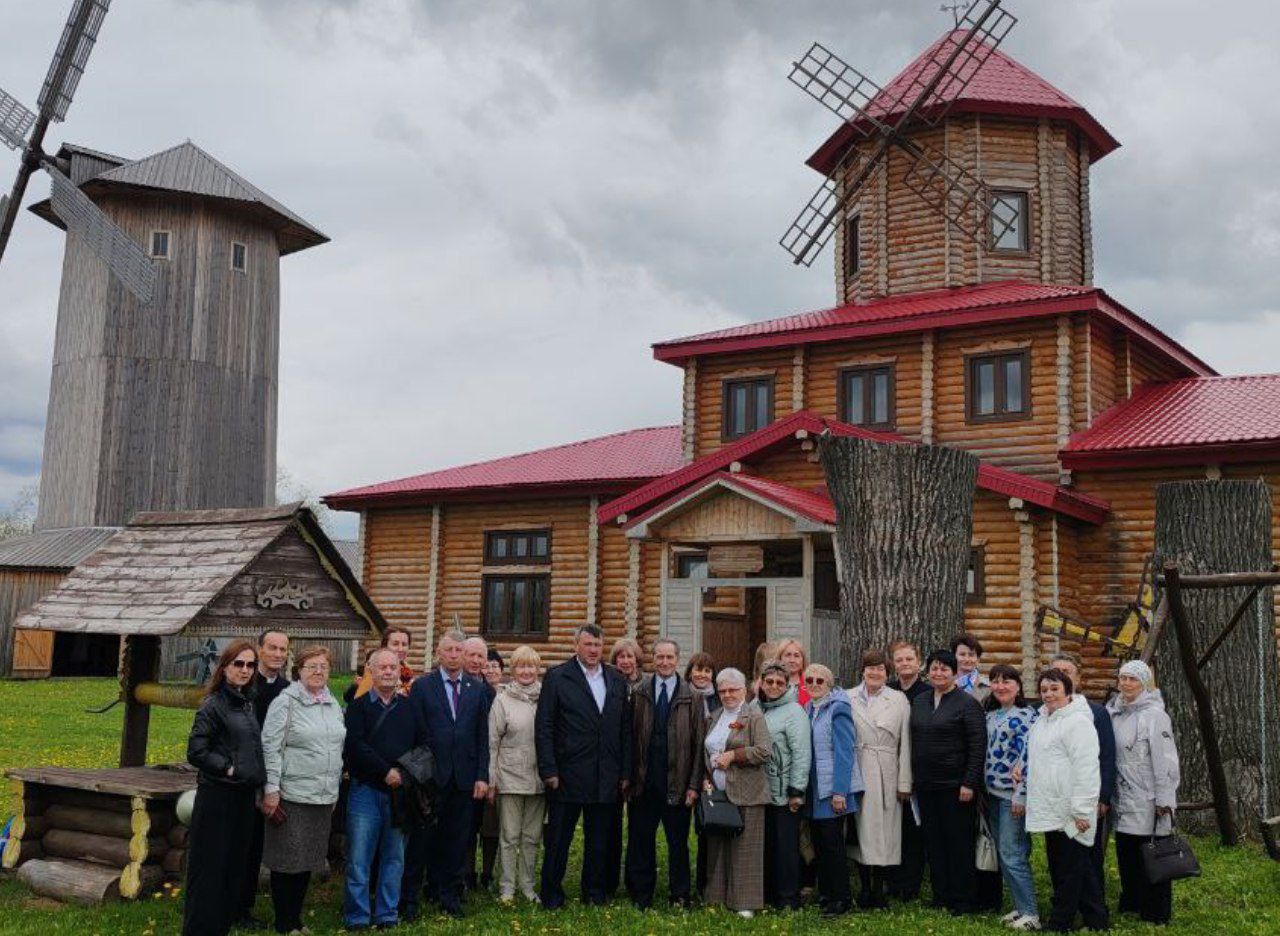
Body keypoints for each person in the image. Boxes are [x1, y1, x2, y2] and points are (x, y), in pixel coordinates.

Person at [536, 624, 632, 909]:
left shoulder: (616, 678)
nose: (593, 650)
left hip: (606, 774)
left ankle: (594, 892)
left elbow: (624, 729)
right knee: (558, 840)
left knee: (599, 840)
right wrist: (549, 769)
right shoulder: (557, 677)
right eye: (588, 644)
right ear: (576, 645)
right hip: (567, 774)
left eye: (598, 645)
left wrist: (625, 772)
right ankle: (552, 894)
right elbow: (545, 727)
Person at [401, 629, 490, 920]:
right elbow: (413, 733)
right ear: (438, 653)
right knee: (422, 840)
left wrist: (481, 776)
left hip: (463, 778)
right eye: (448, 650)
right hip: (430, 779)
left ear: (465, 654)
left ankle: (449, 896)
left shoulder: (476, 689)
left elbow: (481, 736)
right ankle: (410, 899)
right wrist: (419, 775)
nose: (453, 655)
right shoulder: (423, 687)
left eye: (458, 651)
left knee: (457, 839)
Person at [259, 645, 345, 935]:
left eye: (323, 667)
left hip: (322, 795)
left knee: (308, 860)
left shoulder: (331, 703)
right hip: (292, 794)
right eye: (312, 667)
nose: (319, 672)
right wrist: (271, 789)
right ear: (299, 671)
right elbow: (271, 747)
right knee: (288, 861)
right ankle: (285, 923)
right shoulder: (286, 702)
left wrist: (332, 788)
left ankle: (296, 920)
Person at [183, 640, 267, 936]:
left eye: (250, 665)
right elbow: (196, 751)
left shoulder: (246, 702)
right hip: (217, 797)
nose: (245, 670)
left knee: (233, 870)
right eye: (239, 664)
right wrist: (228, 768)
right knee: (210, 872)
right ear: (225, 667)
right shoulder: (214, 704)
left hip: (242, 799)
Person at [343, 648, 422, 930]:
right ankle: (357, 916)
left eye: (393, 667)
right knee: (358, 859)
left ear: (400, 670)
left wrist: (403, 773)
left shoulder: (410, 708)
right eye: (382, 667)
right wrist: (384, 770)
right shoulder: (358, 707)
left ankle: (387, 914)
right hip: (366, 791)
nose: (388, 672)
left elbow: (421, 746)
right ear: (371, 672)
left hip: (400, 793)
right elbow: (355, 745)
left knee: (394, 857)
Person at [1025, 667, 1108, 933]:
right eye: (1044, 690)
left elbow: (1087, 768)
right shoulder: (1042, 721)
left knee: (1072, 869)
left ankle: (1060, 923)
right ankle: (1096, 920)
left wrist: (1082, 811)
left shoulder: (1078, 722)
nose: (1048, 694)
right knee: (1068, 866)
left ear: (1068, 690)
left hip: (1073, 810)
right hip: (1051, 807)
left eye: (1054, 689)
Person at [626, 638, 705, 910]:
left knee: (678, 845)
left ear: (677, 659)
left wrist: (694, 785)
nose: (664, 662)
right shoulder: (640, 692)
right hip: (644, 782)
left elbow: (698, 746)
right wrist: (630, 778)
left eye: (670, 657)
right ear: (652, 659)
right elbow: (630, 737)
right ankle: (641, 895)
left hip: (678, 784)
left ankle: (680, 895)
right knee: (641, 843)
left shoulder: (691, 696)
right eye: (660, 657)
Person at [910, 648, 986, 916]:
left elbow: (978, 747)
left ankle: (963, 898)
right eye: (934, 668)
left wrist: (969, 783)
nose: (938, 673)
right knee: (935, 842)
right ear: (927, 672)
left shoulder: (967, 704)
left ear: (955, 673)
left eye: (944, 668)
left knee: (958, 843)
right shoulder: (919, 701)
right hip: (926, 786)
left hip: (957, 787)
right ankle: (941, 894)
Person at [1108, 659, 1180, 925]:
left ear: (1144, 684)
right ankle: (1133, 900)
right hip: (1123, 794)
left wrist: (1165, 798)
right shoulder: (1114, 712)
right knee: (1127, 850)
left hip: (1149, 795)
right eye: (1123, 678)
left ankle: (1157, 911)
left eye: (1133, 679)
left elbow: (1166, 760)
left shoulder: (1155, 715)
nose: (1126, 683)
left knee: (1154, 852)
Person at [701, 667, 772, 919]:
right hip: (719, 793)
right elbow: (708, 750)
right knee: (718, 847)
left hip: (748, 792)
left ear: (744, 690)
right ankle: (717, 896)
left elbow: (764, 751)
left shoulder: (753, 715)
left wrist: (734, 755)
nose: (727, 694)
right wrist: (706, 775)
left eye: (733, 690)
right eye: (722, 690)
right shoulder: (716, 715)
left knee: (746, 849)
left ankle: (745, 903)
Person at [1050, 651, 1117, 896]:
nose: (1061, 677)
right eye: (1055, 672)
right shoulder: (1045, 712)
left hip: (1086, 797)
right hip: (1057, 798)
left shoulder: (1095, 713)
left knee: (1088, 853)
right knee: (1057, 852)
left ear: (1078, 678)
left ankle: (1093, 906)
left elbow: (1107, 756)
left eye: (1066, 672)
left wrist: (1103, 796)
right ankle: (1063, 899)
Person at [850, 649, 912, 910]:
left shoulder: (898, 699)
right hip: (858, 769)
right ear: (862, 670)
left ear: (887, 674)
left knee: (884, 833)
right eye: (870, 668)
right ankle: (863, 887)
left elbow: (906, 744)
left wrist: (904, 782)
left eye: (880, 669)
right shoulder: (847, 697)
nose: (874, 673)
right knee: (859, 830)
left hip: (887, 771)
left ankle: (879, 889)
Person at [237, 628, 290, 930]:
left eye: (283, 649)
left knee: (254, 847)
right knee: (236, 844)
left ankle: (244, 907)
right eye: (272, 648)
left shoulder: (287, 689)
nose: (278, 654)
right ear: (259, 650)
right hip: (240, 776)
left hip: (269, 778)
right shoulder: (245, 682)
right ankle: (225, 902)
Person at [487, 645, 545, 904]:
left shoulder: (545, 697)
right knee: (509, 835)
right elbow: (492, 742)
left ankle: (528, 886)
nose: (526, 671)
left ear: (538, 669)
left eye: (531, 666)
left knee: (532, 836)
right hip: (509, 776)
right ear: (513, 670)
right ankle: (507, 886)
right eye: (521, 666)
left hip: (539, 778)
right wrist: (492, 780)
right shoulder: (502, 699)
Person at [984, 664, 1040, 930]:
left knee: (1013, 853)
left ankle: (1031, 913)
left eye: (1007, 681)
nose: (1000, 686)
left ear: (1018, 686)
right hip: (992, 794)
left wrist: (1021, 795)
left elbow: (1028, 759)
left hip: (1012, 796)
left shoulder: (1027, 716)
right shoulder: (992, 715)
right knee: (1005, 853)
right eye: (995, 681)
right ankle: (1019, 907)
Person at [804, 663, 862, 917]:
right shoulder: (807, 709)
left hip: (832, 790)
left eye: (820, 681)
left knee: (833, 846)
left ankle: (841, 899)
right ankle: (826, 893)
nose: (814, 684)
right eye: (810, 680)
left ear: (829, 684)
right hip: (814, 790)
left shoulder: (838, 709)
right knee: (819, 844)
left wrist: (840, 791)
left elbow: (844, 752)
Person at [757, 661, 810, 911]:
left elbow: (801, 753)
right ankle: (767, 893)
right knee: (765, 844)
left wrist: (796, 790)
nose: (774, 686)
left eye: (780, 683)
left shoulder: (794, 712)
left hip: (784, 790)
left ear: (787, 685)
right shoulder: (754, 707)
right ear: (761, 682)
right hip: (759, 791)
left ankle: (788, 897)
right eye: (770, 682)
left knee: (786, 846)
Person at [604, 636, 645, 898]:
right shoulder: (607, 683)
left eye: (630, 656)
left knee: (639, 827)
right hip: (615, 764)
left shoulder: (648, 685)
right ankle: (608, 881)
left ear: (637, 660)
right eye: (621, 656)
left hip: (641, 763)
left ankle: (635, 880)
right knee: (611, 827)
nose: (626, 661)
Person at [887, 640, 929, 901]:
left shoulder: (925, 694)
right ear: (893, 664)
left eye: (909, 659)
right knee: (894, 828)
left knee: (914, 830)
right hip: (890, 768)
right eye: (900, 660)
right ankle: (893, 881)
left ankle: (911, 885)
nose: (904, 664)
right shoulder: (889, 691)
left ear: (919, 662)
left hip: (917, 768)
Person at [469, 647, 504, 892]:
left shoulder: (499, 695)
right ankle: (467, 872)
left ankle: (488, 873)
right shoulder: (471, 687)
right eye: (486, 663)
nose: (489, 669)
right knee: (468, 826)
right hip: (468, 766)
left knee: (491, 826)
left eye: (495, 665)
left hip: (492, 767)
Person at [346, 627, 414, 702]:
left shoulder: (408, 673)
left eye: (404, 644)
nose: (400, 649)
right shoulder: (374, 671)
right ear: (384, 646)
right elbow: (359, 703)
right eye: (395, 644)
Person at [951, 634, 991, 703]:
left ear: (978, 659)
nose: (967, 659)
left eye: (971, 655)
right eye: (962, 654)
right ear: (954, 657)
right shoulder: (944, 683)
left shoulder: (989, 687)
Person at [686, 652, 721, 720]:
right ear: (690, 673)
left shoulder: (720, 696)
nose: (702, 675)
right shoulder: (682, 695)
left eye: (707, 671)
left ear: (712, 675)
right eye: (698, 670)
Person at [777, 638, 810, 706]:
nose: (792, 660)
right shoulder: (771, 683)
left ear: (803, 660)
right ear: (779, 659)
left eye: (796, 656)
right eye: (788, 655)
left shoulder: (811, 683)